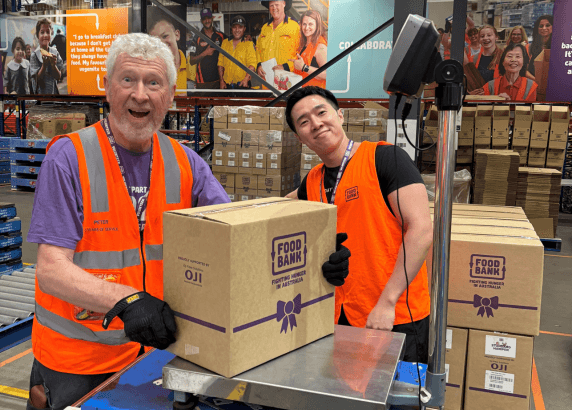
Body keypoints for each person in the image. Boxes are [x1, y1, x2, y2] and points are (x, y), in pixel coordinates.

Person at [25, 32, 230, 410]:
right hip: (77, 362)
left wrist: (312, 250)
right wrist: (127, 300)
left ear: (170, 95)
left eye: (153, 83)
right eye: (127, 79)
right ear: (107, 88)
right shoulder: (68, 158)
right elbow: (51, 270)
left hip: (155, 353)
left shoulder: (186, 163)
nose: (140, 94)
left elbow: (236, 233)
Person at [284, 87, 433, 363]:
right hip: (343, 316)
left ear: (340, 116)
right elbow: (276, 208)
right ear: (299, 138)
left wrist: (387, 302)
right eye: (304, 122)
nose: (316, 123)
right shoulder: (313, 181)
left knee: (397, 390)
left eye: (321, 112)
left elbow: (421, 230)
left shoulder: (385, 159)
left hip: (395, 316)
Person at [256, 1, 300, 85]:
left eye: (277, 5)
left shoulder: (295, 26)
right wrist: (258, 65)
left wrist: (286, 67)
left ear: (284, 4)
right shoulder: (264, 28)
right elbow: (258, 49)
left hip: (287, 80)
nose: (274, 8)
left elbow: (300, 53)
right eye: (271, 5)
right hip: (266, 81)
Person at [148, 16, 187, 96]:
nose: (161, 43)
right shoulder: (150, 71)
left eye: (165, 36)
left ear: (177, 35)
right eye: (156, 40)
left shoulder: (192, 65)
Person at [188, 8, 225, 89]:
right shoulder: (196, 38)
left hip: (218, 81)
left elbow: (234, 40)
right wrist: (205, 53)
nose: (207, 21)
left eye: (208, 18)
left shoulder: (220, 36)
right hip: (202, 82)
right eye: (204, 19)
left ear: (212, 18)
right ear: (201, 21)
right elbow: (192, 61)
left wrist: (246, 37)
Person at [217, 15, 257, 90]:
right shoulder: (225, 43)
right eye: (234, 27)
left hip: (243, 85)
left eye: (240, 27)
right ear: (231, 28)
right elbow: (220, 64)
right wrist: (221, 81)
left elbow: (252, 65)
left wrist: (246, 79)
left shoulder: (249, 44)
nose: (237, 30)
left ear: (244, 29)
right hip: (227, 86)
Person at [291, 10, 327, 88]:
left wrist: (304, 67)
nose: (307, 28)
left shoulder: (320, 47)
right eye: (304, 24)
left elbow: (327, 74)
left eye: (310, 24)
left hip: (314, 92)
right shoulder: (304, 44)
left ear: (317, 25)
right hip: (302, 91)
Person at [30, 18, 63, 94]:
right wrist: (44, 65)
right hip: (40, 97)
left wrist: (53, 66)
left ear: (51, 34)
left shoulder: (55, 52)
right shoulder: (34, 55)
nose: (45, 35)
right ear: (37, 35)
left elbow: (58, 77)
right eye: (42, 32)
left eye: (48, 32)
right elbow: (37, 79)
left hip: (53, 95)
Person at [467, 25, 503, 90]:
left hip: (496, 95)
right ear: (479, 40)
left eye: (489, 35)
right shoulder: (474, 59)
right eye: (482, 36)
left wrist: (487, 90)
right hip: (479, 95)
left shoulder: (503, 57)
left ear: (496, 37)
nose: (485, 38)